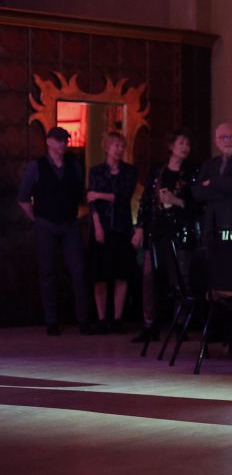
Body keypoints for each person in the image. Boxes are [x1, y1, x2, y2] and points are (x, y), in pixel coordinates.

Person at [17, 126, 92, 336]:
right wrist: (37, 219)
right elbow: (23, 198)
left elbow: (80, 195)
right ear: (49, 142)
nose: (62, 144)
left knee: (78, 271)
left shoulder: (74, 166)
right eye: (58, 140)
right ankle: (52, 321)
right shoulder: (37, 166)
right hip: (46, 225)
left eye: (65, 140)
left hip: (69, 224)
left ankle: (83, 320)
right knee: (47, 273)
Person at [130, 129, 198, 343]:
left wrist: (175, 201)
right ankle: (150, 325)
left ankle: (180, 324)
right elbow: (146, 201)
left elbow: (196, 205)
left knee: (180, 276)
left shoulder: (191, 173)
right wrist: (140, 228)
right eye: (181, 143)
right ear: (171, 146)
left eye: (187, 144)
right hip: (157, 230)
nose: (185, 147)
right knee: (150, 277)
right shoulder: (157, 171)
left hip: (180, 231)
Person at [87, 131, 138, 334]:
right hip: (102, 227)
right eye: (115, 145)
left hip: (122, 227)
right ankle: (101, 318)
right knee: (99, 275)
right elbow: (91, 204)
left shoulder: (129, 171)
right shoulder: (96, 171)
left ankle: (117, 318)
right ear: (107, 147)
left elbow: (123, 197)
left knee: (121, 274)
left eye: (121, 146)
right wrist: (97, 225)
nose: (119, 149)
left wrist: (99, 194)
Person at [191, 123, 232, 247]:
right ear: (216, 141)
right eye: (223, 137)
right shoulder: (209, 164)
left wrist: (211, 182)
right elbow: (197, 193)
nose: (228, 141)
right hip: (212, 225)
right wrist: (230, 182)